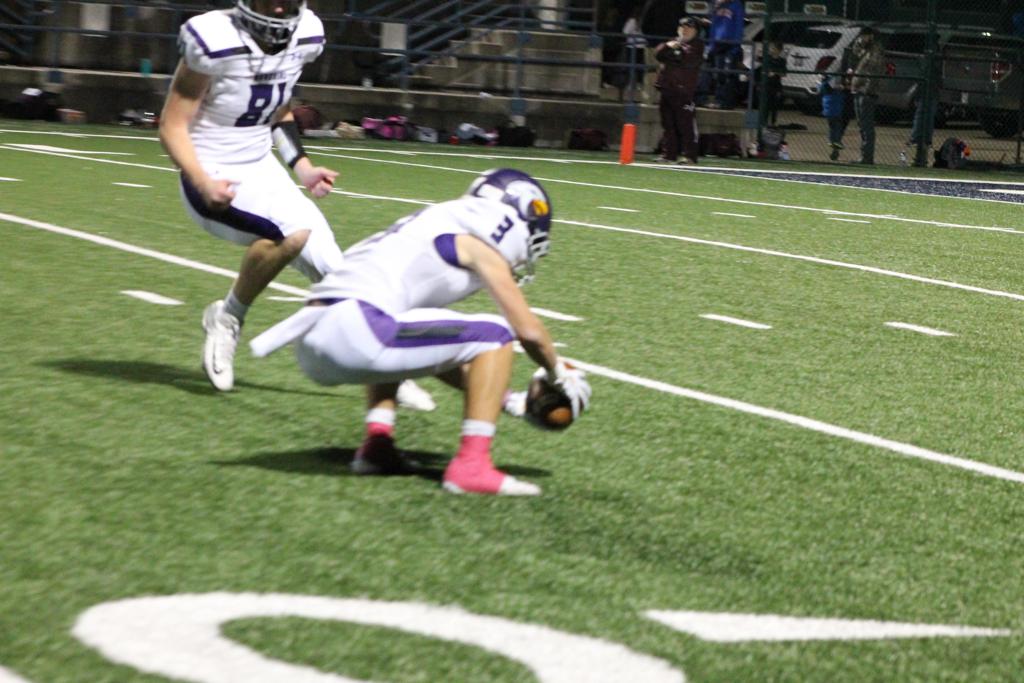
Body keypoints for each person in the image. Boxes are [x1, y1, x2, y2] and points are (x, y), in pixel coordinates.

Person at [159, 0, 434, 410]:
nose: (278, 7)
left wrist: (301, 166)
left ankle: (386, 369)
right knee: (293, 233)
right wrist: (201, 180)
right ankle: (230, 316)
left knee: (338, 272)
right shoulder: (213, 38)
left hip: (260, 165)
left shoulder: (306, 33)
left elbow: (279, 107)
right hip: (211, 168)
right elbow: (172, 124)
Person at [249, 169, 593, 496]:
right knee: (497, 333)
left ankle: (378, 444)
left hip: (317, 338)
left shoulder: (434, 225)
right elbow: (527, 332)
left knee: (408, 323)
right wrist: (557, 373)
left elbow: (434, 355)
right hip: (355, 329)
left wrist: (508, 400)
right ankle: (472, 467)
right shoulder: (477, 243)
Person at [654, 17, 704, 164]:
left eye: (689, 28)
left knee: (686, 125)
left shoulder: (697, 45)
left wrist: (674, 51)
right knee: (668, 124)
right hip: (667, 88)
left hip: (684, 91)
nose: (685, 30)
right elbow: (658, 55)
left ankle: (690, 156)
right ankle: (669, 154)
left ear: (696, 31)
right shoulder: (672, 42)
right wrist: (668, 47)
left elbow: (686, 60)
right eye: (682, 27)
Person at [847, 27, 885, 165]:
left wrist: (867, 90)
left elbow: (874, 74)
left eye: (864, 36)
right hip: (858, 89)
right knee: (861, 124)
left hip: (866, 92)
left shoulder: (875, 52)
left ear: (871, 36)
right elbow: (855, 52)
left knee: (866, 125)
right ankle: (864, 155)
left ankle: (867, 156)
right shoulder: (865, 50)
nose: (861, 39)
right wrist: (858, 42)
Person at [705, 0, 744, 109]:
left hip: (730, 44)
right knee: (719, 75)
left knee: (729, 75)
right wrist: (711, 45)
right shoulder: (717, 5)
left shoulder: (736, 5)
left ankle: (728, 102)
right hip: (718, 45)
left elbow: (739, 26)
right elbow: (713, 26)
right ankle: (719, 100)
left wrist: (735, 46)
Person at [819, 73, 852, 161]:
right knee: (837, 128)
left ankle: (834, 143)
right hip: (839, 112)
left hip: (830, 113)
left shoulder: (826, 92)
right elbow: (843, 92)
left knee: (833, 128)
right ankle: (835, 143)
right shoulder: (836, 93)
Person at [763, 41, 787, 126]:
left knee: (774, 105)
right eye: (771, 48)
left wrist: (775, 73)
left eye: (773, 48)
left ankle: (773, 122)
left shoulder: (782, 61)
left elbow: (784, 73)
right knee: (766, 104)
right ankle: (764, 122)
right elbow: (764, 71)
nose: (771, 50)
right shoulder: (768, 59)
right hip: (767, 84)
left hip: (776, 85)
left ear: (779, 50)